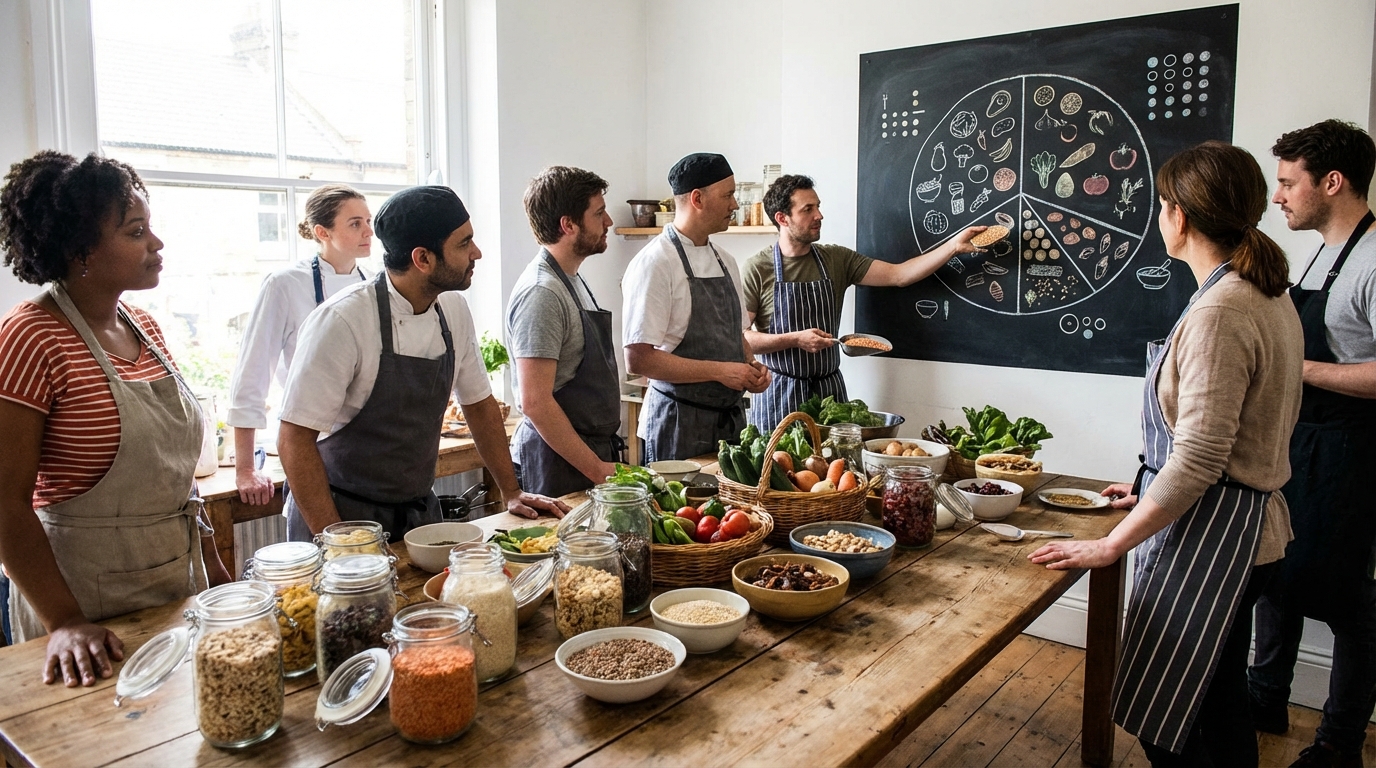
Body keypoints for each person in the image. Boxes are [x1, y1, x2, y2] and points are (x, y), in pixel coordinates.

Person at [1030, 141, 1303, 767]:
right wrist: (1147, 483)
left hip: (1216, 539)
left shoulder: (1221, 310)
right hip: (1247, 531)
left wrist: (1111, 544)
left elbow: (1203, 457)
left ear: (1179, 215)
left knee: (1175, 722)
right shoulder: (1266, 291)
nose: (1157, 216)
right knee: (1218, 699)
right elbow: (1228, 435)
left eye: (1159, 204)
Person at [0, 151, 233, 685]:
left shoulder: (145, 327)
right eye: (136, 232)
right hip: (85, 614)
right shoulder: (31, 336)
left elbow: (174, 487)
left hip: (177, 590)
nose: (157, 244)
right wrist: (64, 621)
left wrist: (217, 577)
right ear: (81, 249)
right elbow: (6, 502)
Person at [277, 185, 567, 541]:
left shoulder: (453, 309)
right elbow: (294, 439)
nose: (477, 252)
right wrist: (337, 540)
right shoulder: (343, 321)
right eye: (464, 244)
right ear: (423, 259)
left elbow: (479, 406)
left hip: (416, 513)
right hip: (342, 513)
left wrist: (511, 491)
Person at [1248, 120, 1376, 768]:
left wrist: (1300, 370)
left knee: (1348, 597)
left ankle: (1338, 744)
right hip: (1299, 439)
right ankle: (1266, 696)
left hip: (1353, 451)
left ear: (1332, 181)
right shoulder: (1323, 251)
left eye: (1288, 182)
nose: (1278, 197)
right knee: (1277, 569)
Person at [742, 175, 986, 430]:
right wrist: (795, 339)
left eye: (818, 206)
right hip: (779, 395)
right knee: (777, 467)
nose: (820, 215)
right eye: (808, 209)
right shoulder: (758, 268)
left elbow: (899, 275)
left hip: (829, 397)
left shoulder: (836, 259)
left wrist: (953, 247)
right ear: (782, 218)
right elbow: (743, 338)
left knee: (837, 468)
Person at [226, 185, 370, 506]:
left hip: (369, 450)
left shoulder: (373, 285)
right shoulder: (285, 284)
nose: (368, 231)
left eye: (368, 221)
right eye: (355, 223)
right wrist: (246, 469)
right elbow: (252, 374)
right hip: (311, 446)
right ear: (322, 232)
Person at [623, 153, 769, 462]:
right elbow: (638, 359)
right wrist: (721, 372)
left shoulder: (725, 260)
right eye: (728, 195)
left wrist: (750, 367)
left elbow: (735, 333)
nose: (735, 204)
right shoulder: (656, 263)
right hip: (678, 424)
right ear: (697, 199)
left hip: (728, 423)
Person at [507, 167, 623, 497]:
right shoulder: (542, 293)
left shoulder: (571, 279)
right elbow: (535, 402)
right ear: (568, 225)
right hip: (554, 463)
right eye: (598, 213)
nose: (609, 222)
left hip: (584, 454)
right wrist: (596, 469)